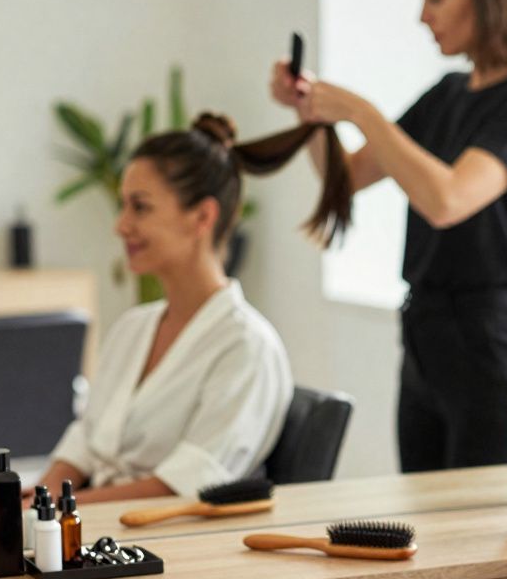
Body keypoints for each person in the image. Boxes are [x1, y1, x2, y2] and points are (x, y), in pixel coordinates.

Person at [269, 0, 507, 472]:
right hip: (426, 340)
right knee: (427, 527)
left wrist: (361, 112)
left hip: (491, 347)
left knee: (484, 531)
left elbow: (448, 199)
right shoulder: (448, 94)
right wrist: (310, 115)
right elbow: (349, 176)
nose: (422, 16)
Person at [29, 113, 340, 504]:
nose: (121, 225)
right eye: (123, 206)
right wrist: (37, 497)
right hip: (86, 528)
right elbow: (84, 441)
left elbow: (187, 487)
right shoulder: (132, 327)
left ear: (203, 216)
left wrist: (54, 508)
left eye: (139, 207)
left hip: (163, 546)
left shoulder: (246, 346)